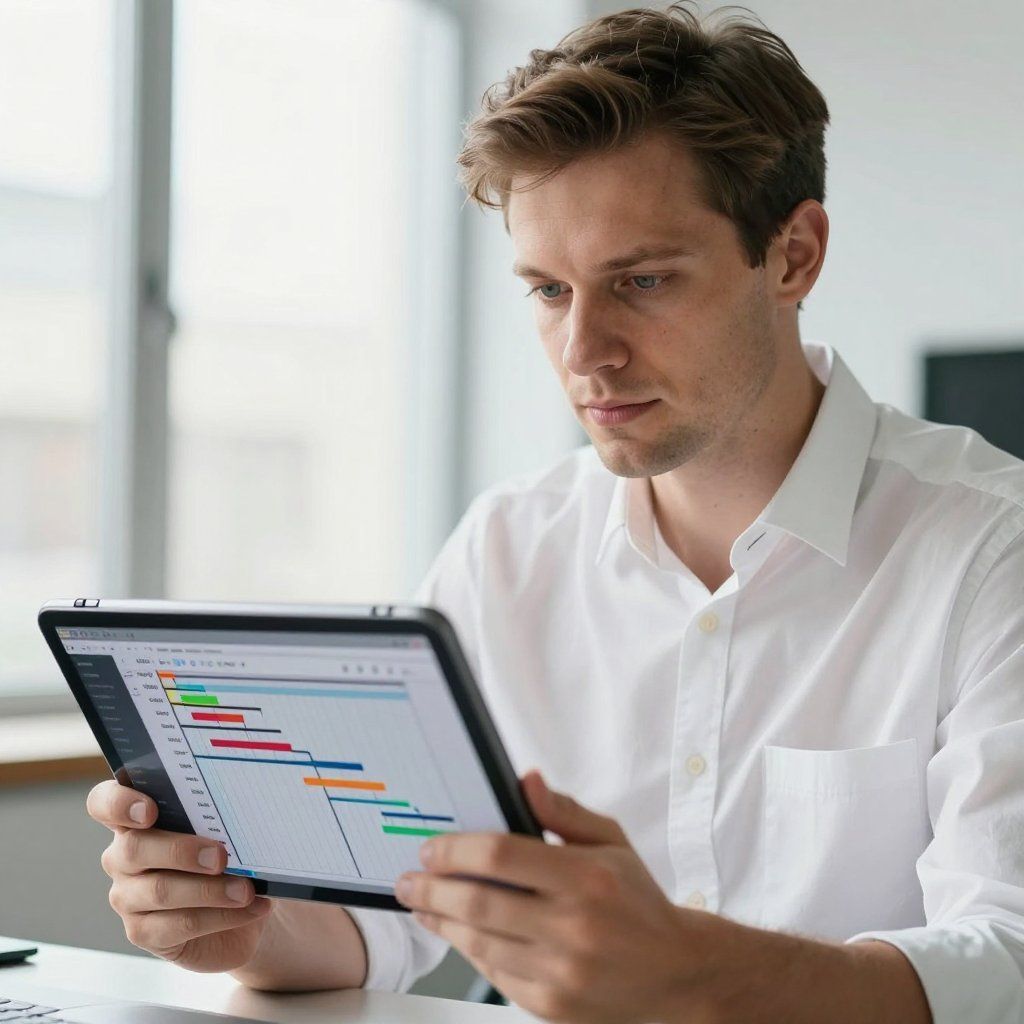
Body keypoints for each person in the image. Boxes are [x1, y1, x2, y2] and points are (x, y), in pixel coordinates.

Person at [86, 3, 1024, 1022]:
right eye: (545, 289)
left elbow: (1006, 957)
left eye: (643, 280)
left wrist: (689, 971)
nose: (583, 352)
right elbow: (397, 909)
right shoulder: (508, 546)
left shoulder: (988, 550)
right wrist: (246, 925)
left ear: (792, 254)